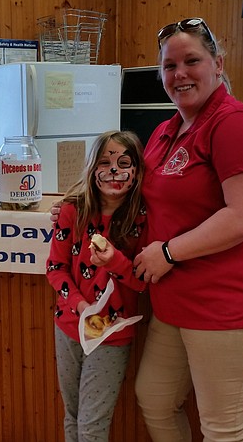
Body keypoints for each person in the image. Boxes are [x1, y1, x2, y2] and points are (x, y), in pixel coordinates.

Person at [51, 18, 243, 442]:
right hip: (176, 300)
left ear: (218, 64)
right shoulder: (167, 130)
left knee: (223, 427)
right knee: (156, 401)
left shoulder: (238, 124)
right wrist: (78, 206)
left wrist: (166, 254)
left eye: (192, 61)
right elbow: (133, 194)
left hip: (231, 302)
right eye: (169, 65)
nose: (179, 73)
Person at [46, 130, 147, 442]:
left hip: (112, 334)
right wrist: (80, 306)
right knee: (73, 414)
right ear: (92, 168)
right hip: (69, 326)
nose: (114, 171)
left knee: (92, 424)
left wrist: (114, 261)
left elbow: (141, 282)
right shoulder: (71, 211)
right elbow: (55, 268)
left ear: (137, 171)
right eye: (105, 162)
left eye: (124, 163)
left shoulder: (141, 219)